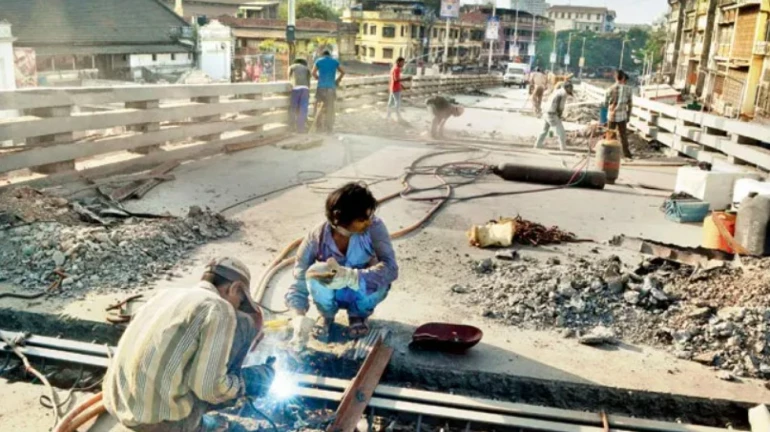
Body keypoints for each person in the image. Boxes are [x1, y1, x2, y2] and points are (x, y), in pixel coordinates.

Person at [103, 257, 275, 432]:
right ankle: (193, 426)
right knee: (245, 324)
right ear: (235, 288)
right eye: (241, 301)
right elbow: (210, 390)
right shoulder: (218, 308)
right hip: (157, 423)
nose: (237, 307)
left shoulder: (164, 294)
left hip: (116, 405)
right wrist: (249, 380)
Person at [285, 183, 398, 341]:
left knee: (382, 279)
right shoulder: (317, 237)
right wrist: (298, 316)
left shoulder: (375, 227)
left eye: (369, 217)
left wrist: (353, 277)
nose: (368, 222)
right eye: (362, 219)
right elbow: (300, 279)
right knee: (317, 272)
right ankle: (326, 315)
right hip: (331, 292)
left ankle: (358, 315)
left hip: (362, 289)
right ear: (340, 218)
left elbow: (391, 268)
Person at [312, 50, 346, 133]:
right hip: (331, 88)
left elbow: (313, 72)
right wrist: (337, 80)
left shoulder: (319, 61)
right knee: (330, 109)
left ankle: (318, 127)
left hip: (321, 88)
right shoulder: (335, 61)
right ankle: (329, 128)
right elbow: (343, 72)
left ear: (322, 55)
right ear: (329, 55)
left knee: (319, 107)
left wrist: (318, 78)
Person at [534, 80, 573, 151]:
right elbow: (560, 106)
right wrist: (559, 115)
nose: (571, 90)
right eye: (570, 88)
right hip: (552, 114)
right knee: (561, 132)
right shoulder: (563, 94)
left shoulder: (558, 91)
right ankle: (563, 148)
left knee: (544, 130)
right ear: (567, 88)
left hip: (546, 112)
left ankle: (538, 144)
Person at [605, 69, 634, 159]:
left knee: (610, 134)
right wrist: (628, 116)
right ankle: (627, 154)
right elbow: (630, 104)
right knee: (623, 135)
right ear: (623, 78)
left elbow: (605, 103)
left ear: (615, 78)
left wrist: (610, 109)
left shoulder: (610, 89)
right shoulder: (628, 89)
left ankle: (608, 153)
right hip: (622, 116)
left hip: (611, 115)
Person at [288, 58, 311, 133]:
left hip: (296, 88)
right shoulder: (307, 68)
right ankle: (301, 129)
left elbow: (289, 77)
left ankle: (291, 128)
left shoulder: (292, 66)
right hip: (305, 90)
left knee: (293, 108)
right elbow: (309, 82)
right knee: (303, 109)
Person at [386, 57, 410, 122]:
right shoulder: (396, 69)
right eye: (402, 62)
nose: (403, 64)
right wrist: (406, 79)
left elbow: (395, 80)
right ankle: (398, 117)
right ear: (398, 62)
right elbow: (395, 79)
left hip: (393, 87)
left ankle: (388, 116)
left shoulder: (394, 68)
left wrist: (402, 86)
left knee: (390, 103)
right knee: (397, 103)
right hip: (396, 89)